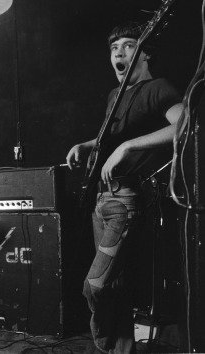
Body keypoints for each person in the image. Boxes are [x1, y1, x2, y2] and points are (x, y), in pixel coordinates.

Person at [65, 22, 183, 354]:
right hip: (100, 199)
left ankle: (104, 347)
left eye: (129, 46)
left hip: (126, 200)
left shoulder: (158, 88)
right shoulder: (114, 96)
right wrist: (88, 145)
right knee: (113, 288)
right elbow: (109, 138)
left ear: (146, 54)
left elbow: (187, 125)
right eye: (115, 49)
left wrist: (128, 147)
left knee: (96, 284)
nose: (119, 53)